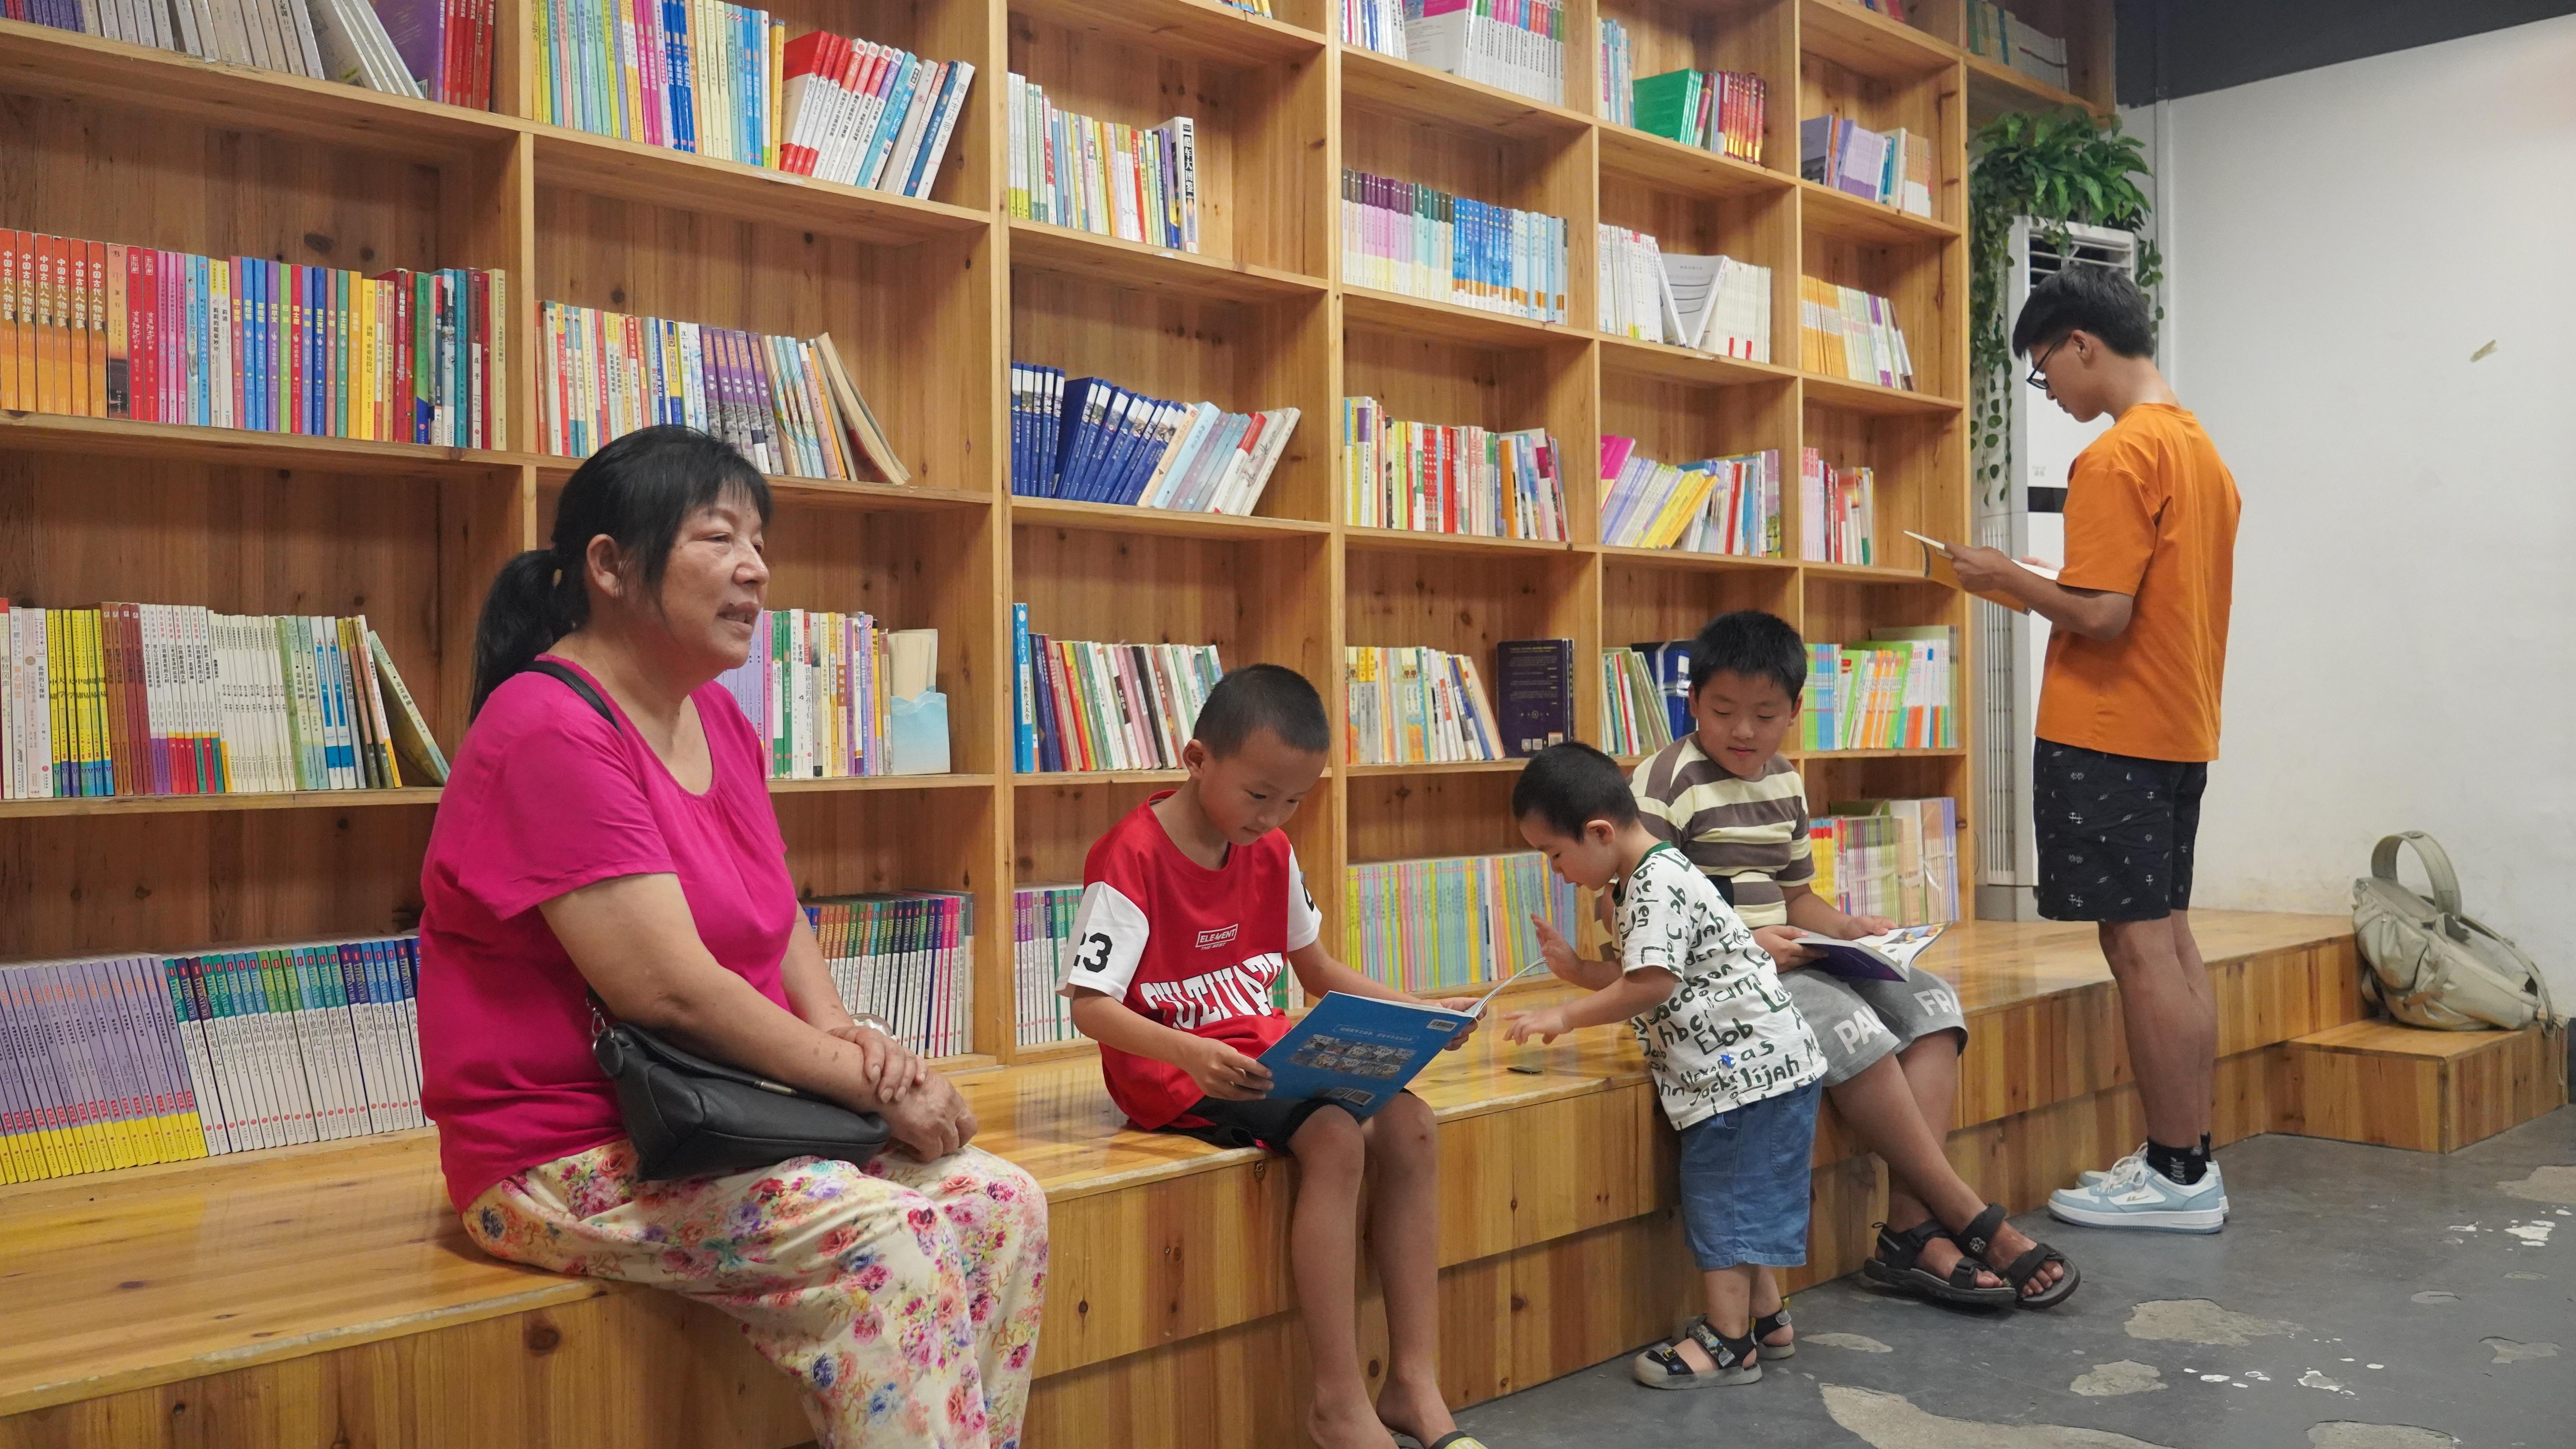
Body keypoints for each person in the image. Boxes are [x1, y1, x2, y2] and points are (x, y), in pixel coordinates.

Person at [417, 426, 1047, 1449]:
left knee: (1001, 1199)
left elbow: (774, 904)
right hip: (563, 1152)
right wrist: (871, 1084)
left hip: (722, 1119)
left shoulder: (718, 719)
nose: (755, 566)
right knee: (886, 1235)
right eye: (719, 537)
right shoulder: (547, 726)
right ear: (610, 565)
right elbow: (667, 990)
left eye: (759, 540)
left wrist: (846, 1031)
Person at [1057, 664, 1490, 1449]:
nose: (1274, 817)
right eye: (1260, 795)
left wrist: (1421, 1013)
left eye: (1294, 800)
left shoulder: (1273, 849)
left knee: (1413, 1125)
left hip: (1267, 1056)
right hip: (1174, 1072)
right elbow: (1091, 1006)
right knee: (1334, 1137)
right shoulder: (1129, 855)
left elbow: (1316, 970)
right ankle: (1337, 1404)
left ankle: (1412, 1382)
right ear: (1197, 760)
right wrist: (1188, 1052)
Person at [1628, 610, 2077, 1308]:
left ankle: (1910, 1226)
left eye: (1765, 715)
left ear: (1794, 713)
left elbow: (1796, 896)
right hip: (1718, 980)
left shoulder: (1785, 780)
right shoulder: (1665, 781)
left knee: (1932, 1002)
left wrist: (1849, 929)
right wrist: (1746, 948)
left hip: (1791, 957)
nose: (1743, 731)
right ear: (1692, 702)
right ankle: (1963, 1214)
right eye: (1722, 711)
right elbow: (1638, 915)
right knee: (1851, 1026)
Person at [1950, 265, 2241, 1234]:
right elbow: (2136, 599)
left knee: (2138, 946)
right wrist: (2047, 581)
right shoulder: (2199, 450)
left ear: (2082, 342)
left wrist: (2001, 576)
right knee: (2171, 939)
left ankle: (2175, 1174)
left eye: (2044, 370)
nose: (2050, 392)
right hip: (2178, 723)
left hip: (2108, 728)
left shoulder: (2116, 457)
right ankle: (2188, 1160)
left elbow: (2104, 617)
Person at [1502, 743, 1824, 1390]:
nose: (1556, 871)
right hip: (1760, 1070)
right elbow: (1648, 971)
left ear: (1599, 832)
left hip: (1740, 1079)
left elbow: (1651, 984)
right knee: (1745, 1201)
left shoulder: (1653, 885)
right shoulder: (1649, 876)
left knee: (1723, 1205)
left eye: (1554, 854)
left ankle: (1729, 1342)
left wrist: (1565, 1016)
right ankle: (1767, 1321)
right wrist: (1577, 971)